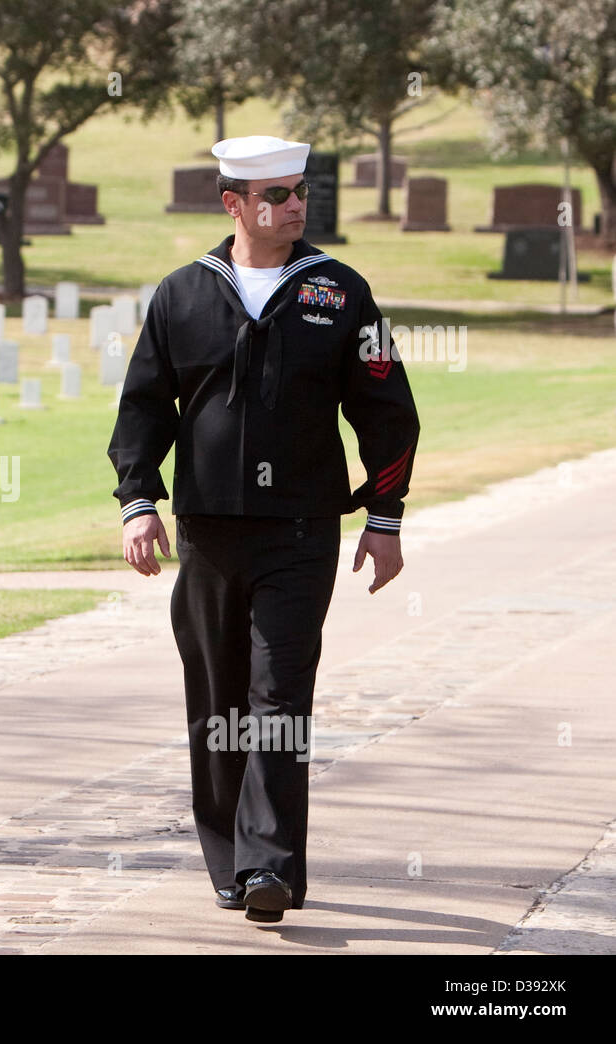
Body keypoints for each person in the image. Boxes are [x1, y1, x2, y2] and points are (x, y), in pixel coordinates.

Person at [107, 135, 420, 924]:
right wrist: (137, 502)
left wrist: (384, 517)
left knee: (278, 696)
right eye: (274, 195)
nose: (292, 206)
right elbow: (144, 408)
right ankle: (230, 861)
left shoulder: (341, 293)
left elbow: (389, 413)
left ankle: (271, 868)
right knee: (218, 700)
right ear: (234, 205)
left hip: (302, 534)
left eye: (298, 192)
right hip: (207, 536)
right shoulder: (181, 294)